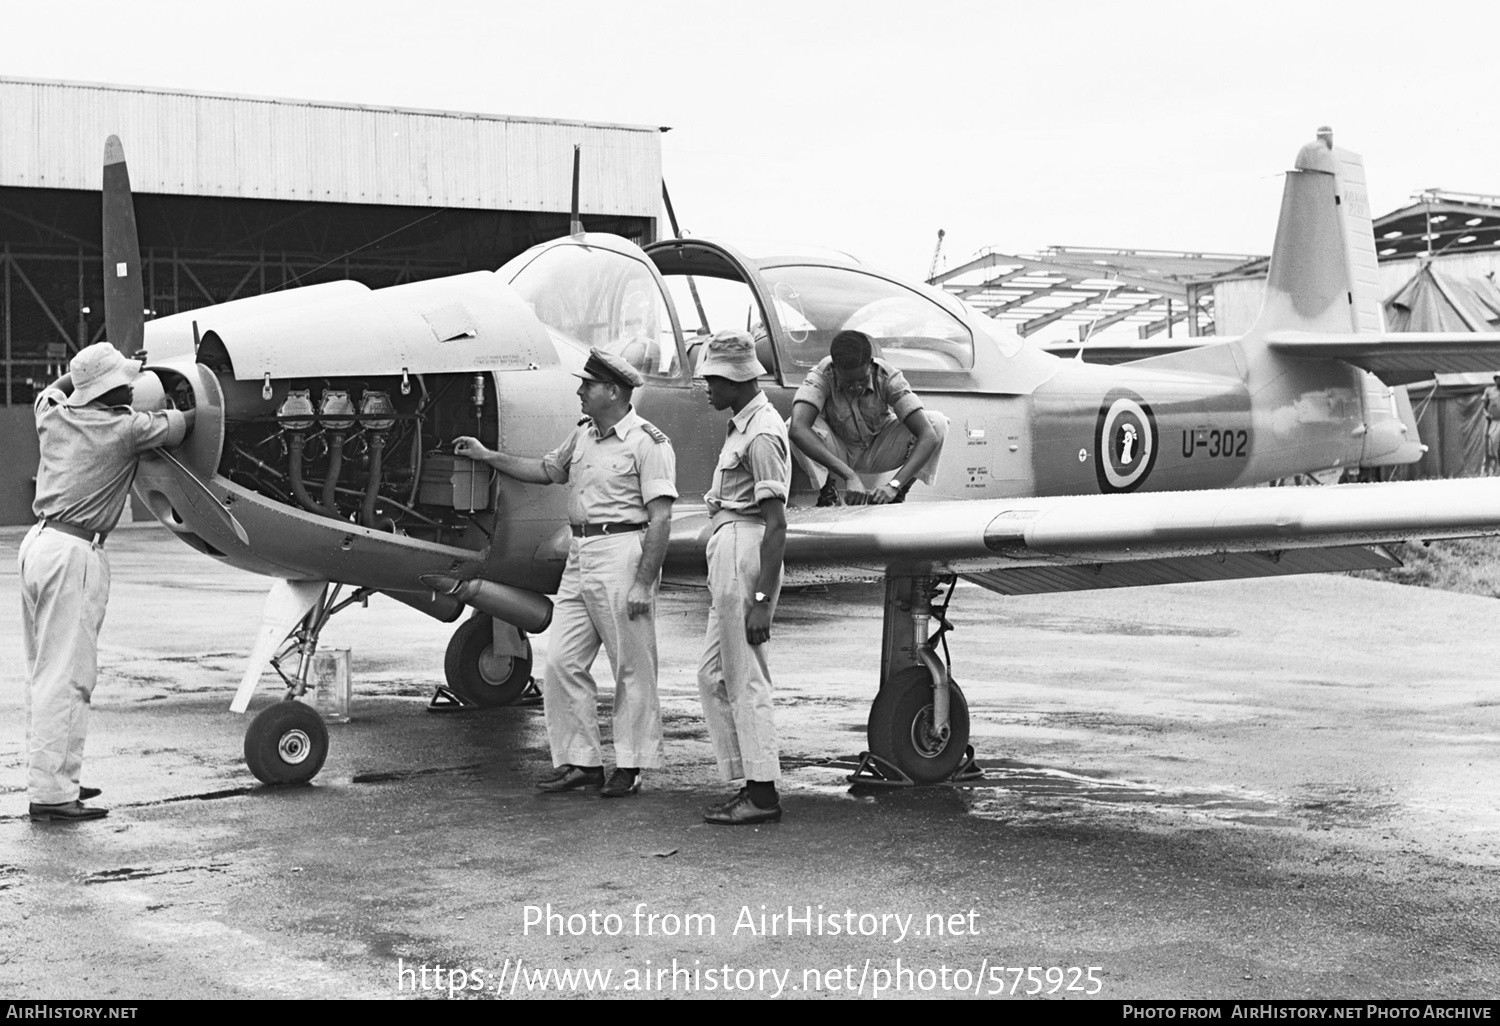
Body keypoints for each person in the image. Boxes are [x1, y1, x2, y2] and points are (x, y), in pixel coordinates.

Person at [453, 348, 676, 797]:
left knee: (631, 667)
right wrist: (487, 455)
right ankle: (581, 763)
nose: (579, 391)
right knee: (562, 662)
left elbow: (661, 519)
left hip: (620, 551)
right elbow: (545, 470)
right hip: (579, 551)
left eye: (587, 385)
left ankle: (630, 767)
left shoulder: (648, 443)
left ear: (612, 391)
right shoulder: (585, 435)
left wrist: (642, 582)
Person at [23, 342, 193, 822]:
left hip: (38, 545)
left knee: (46, 674)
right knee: (68, 678)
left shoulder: (52, 415)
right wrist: (143, 377)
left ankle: (54, 781)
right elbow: (185, 421)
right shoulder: (126, 429)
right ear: (113, 388)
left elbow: (57, 391)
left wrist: (106, 375)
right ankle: (53, 797)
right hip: (74, 554)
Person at [696, 330, 790, 826]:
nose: (706, 387)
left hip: (745, 552)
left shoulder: (762, 434)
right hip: (729, 547)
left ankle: (762, 792)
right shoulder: (741, 426)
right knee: (712, 675)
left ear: (735, 379)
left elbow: (776, 525)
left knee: (746, 678)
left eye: (713, 378)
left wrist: (760, 599)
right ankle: (748, 777)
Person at [788, 329, 949, 505]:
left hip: (880, 448)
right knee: (793, 425)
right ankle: (828, 493)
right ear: (834, 369)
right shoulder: (821, 375)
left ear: (870, 364)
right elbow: (798, 428)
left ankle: (898, 493)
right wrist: (849, 475)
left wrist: (894, 485)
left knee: (936, 423)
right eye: (848, 382)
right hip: (839, 450)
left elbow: (928, 434)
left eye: (862, 380)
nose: (856, 387)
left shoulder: (888, 377)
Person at [1483, 374, 1500, 475]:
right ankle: (1490, 470)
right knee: (1492, 444)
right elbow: (1484, 407)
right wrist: (1487, 415)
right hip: (1494, 421)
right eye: (1497, 379)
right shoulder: (1489, 391)